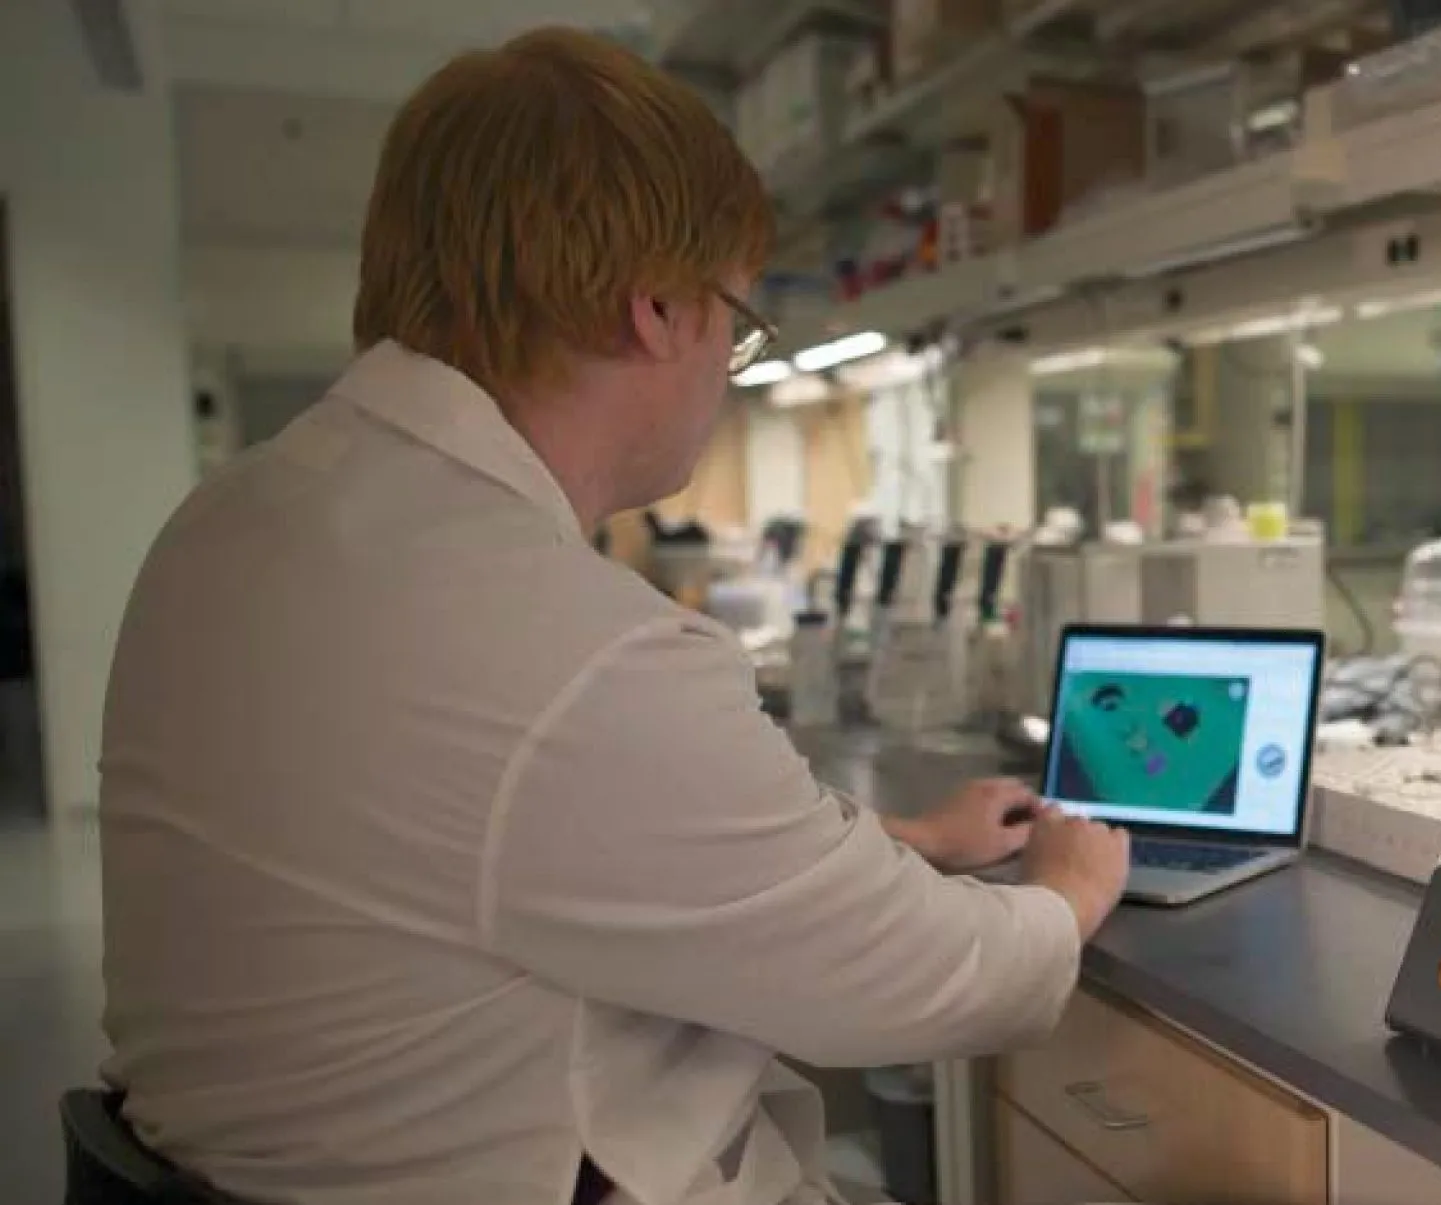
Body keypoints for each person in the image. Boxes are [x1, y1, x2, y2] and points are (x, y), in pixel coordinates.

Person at [95, 27, 1129, 1205]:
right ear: (655, 308)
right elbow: (923, 981)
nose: (725, 373)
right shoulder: (568, 644)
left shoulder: (228, 524)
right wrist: (1064, 890)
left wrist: (912, 840)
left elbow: (533, 832)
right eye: (734, 326)